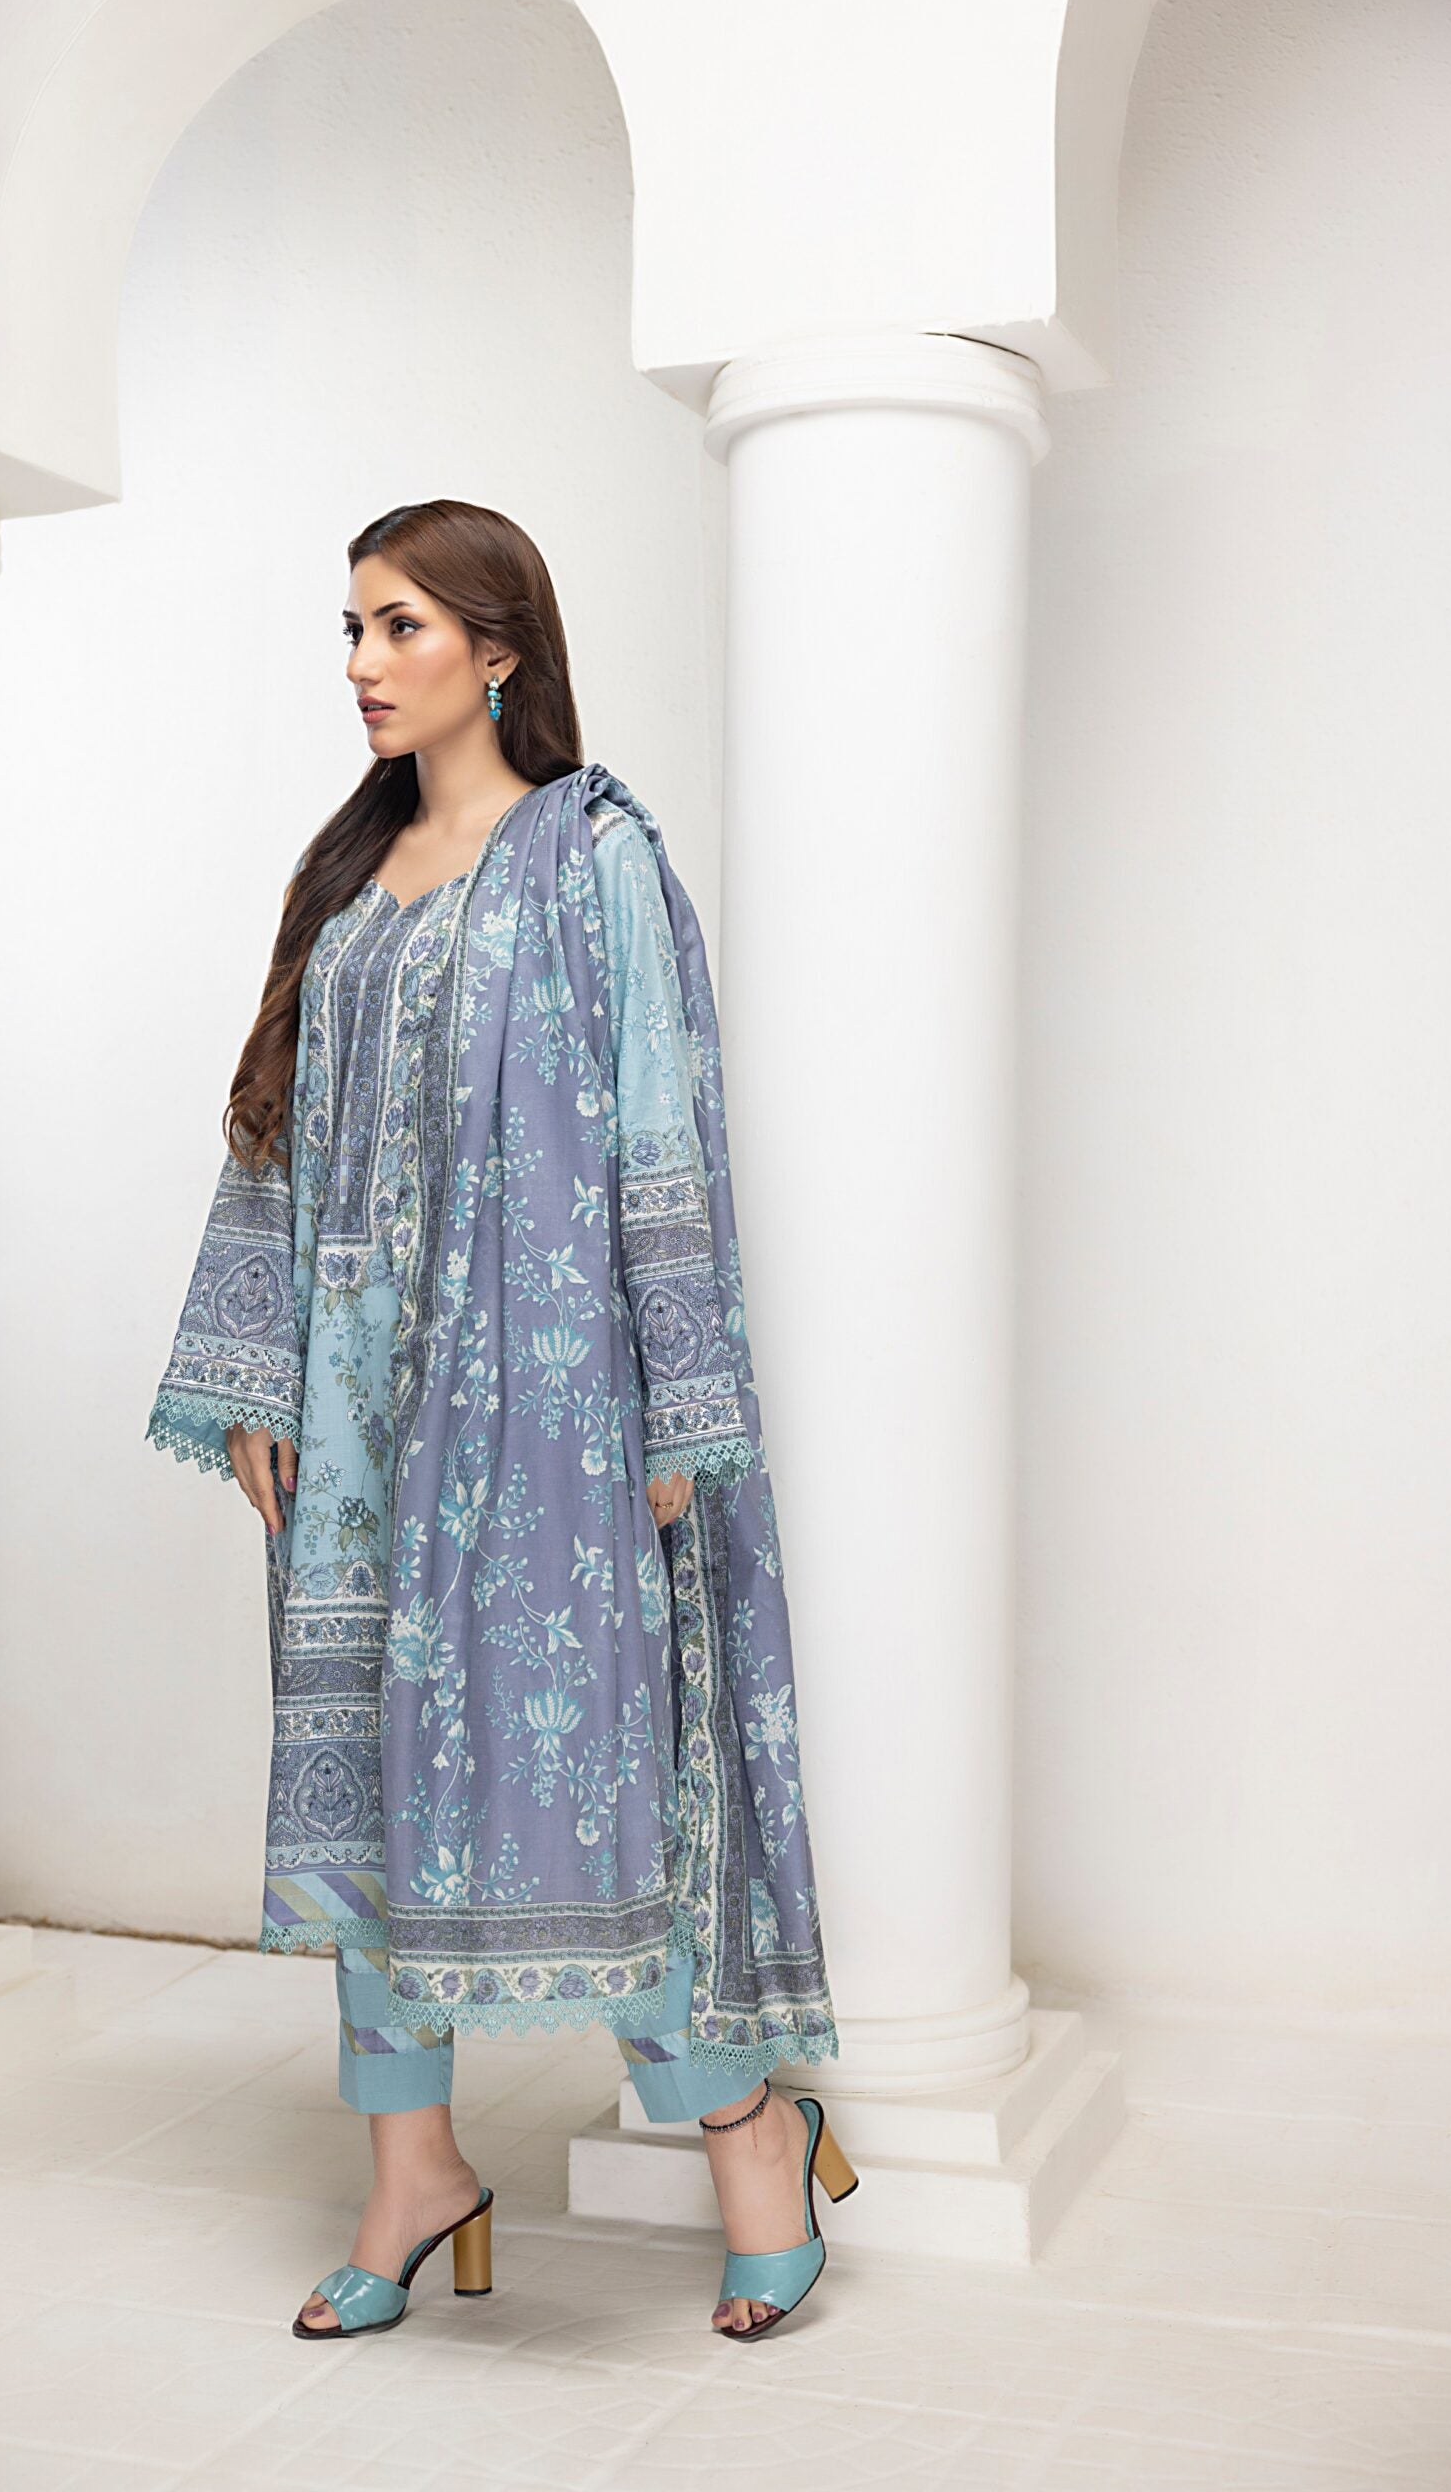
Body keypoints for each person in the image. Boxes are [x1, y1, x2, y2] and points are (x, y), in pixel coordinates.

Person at [146, 497, 852, 2341]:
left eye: (400, 627)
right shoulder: (344, 876)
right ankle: (413, 2174)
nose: (364, 664)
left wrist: (680, 1407)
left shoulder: (593, 856)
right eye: (353, 629)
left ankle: (753, 2134)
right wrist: (256, 1368)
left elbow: (662, 1126)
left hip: (544, 1402)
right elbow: (267, 1129)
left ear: (499, 648)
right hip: (353, 1404)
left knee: (594, 1775)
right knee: (367, 1790)